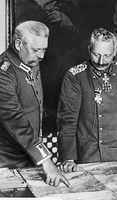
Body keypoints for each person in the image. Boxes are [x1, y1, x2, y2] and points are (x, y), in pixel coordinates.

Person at [0, 21, 69, 187]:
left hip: (30, 155)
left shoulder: (30, 60)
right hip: (7, 160)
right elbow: (15, 119)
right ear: (18, 44)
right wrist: (46, 160)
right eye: (36, 50)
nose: (41, 56)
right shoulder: (4, 72)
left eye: (44, 49)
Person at [57, 27, 117, 172]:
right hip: (87, 151)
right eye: (96, 54)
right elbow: (67, 119)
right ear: (89, 49)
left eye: (107, 55)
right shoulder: (75, 76)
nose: (101, 61)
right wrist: (68, 157)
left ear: (115, 52)